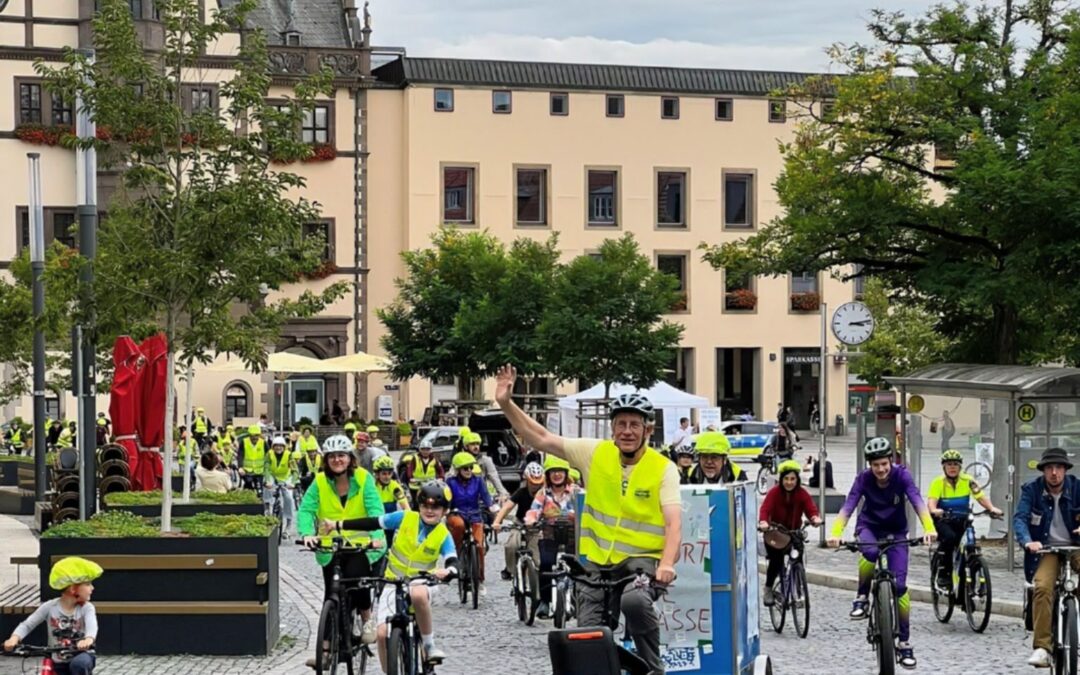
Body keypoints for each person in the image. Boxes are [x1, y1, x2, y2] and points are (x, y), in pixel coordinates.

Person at [494, 364, 680, 675]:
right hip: (596, 563)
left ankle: (653, 667)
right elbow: (540, 437)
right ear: (612, 428)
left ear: (648, 430)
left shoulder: (663, 468)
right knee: (587, 637)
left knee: (634, 603)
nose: (627, 431)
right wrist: (505, 403)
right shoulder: (595, 453)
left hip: (642, 562)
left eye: (635, 425)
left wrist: (667, 563)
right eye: (621, 424)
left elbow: (674, 523)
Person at [827, 437, 936, 670]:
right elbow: (849, 505)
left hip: (897, 532)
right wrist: (836, 532)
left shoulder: (902, 476)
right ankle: (862, 597)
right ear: (870, 465)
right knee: (869, 552)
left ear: (891, 461)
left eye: (884, 464)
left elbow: (917, 500)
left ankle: (904, 642)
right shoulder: (863, 479)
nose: (880, 469)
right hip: (869, 527)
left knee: (900, 586)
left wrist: (929, 528)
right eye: (875, 465)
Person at [326, 481, 457, 669]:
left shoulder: (443, 534)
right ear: (418, 506)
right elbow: (372, 522)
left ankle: (429, 646)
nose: (429, 511)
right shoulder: (404, 518)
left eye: (436, 507)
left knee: (418, 594)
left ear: (444, 511)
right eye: (425, 506)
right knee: (381, 634)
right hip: (392, 581)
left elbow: (453, 559)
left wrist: (449, 571)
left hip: (423, 582)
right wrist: (338, 524)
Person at [299, 434, 386, 664]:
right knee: (332, 594)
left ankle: (367, 617)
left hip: (360, 544)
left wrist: (376, 537)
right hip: (330, 546)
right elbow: (307, 510)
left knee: (357, 579)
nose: (337, 460)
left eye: (342, 456)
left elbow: (375, 510)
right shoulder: (319, 482)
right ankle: (325, 652)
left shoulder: (364, 478)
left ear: (350, 458)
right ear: (326, 460)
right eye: (332, 457)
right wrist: (308, 534)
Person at [1014, 447, 1080, 668]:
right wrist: (1027, 541)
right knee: (1042, 587)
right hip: (1047, 550)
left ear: (1065, 470)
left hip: (1076, 547)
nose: (1054, 473)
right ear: (1043, 471)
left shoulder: (1078, 487)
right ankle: (1042, 647)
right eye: (1050, 468)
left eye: (1059, 468)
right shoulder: (1031, 490)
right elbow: (1020, 519)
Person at [4, 556, 101, 674]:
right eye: (88, 584)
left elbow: (92, 626)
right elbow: (27, 624)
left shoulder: (86, 608)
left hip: (81, 654)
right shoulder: (50, 607)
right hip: (57, 659)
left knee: (79, 665)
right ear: (73, 589)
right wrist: (14, 638)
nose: (92, 588)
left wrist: (88, 639)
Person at [928, 449, 1003, 589]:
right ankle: (944, 572)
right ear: (943, 467)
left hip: (962, 519)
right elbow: (932, 502)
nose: (952, 467)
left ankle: (969, 588)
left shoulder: (968, 481)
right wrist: (934, 510)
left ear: (960, 466)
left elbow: (980, 497)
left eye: (955, 464)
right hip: (944, 520)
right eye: (949, 464)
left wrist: (992, 508)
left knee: (971, 544)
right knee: (949, 538)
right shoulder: (938, 482)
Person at [758, 460, 822, 606]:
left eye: (792, 479)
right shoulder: (774, 493)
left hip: (794, 532)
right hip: (775, 532)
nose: (789, 482)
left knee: (798, 556)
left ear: (797, 480)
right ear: (781, 479)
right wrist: (763, 522)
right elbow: (765, 509)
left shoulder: (802, 493)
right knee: (776, 561)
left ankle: (797, 589)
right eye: (786, 479)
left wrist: (814, 517)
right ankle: (768, 588)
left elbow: (810, 508)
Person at [526, 455, 581, 619]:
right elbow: (534, 510)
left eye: (560, 471)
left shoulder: (575, 491)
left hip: (572, 535)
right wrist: (531, 520)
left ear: (566, 473)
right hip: (549, 534)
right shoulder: (542, 494)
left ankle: (577, 600)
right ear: (548, 475)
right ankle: (545, 601)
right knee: (546, 564)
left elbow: (586, 507)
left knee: (577, 566)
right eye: (553, 472)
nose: (557, 475)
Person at [446, 451, 497, 596]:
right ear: (457, 470)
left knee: (480, 546)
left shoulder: (478, 480)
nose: (469, 471)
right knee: (458, 525)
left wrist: (493, 508)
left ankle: (479, 580)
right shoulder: (450, 482)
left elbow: (486, 496)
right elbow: (447, 498)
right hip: (457, 512)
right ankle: (456, 551)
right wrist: (445, 510)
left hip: (475, 514)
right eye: (465, 468)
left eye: (470, 467)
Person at [493, 462, 545, 581]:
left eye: (538, 483)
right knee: (511, 545)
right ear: (526, 480)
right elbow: (507, 507)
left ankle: (534, 580)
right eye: (532, 483)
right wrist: (497, 521)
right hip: (519, 523)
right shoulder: (521, 492)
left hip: (536, 527)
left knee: (537, 558)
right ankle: (511, 570)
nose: (535, 486)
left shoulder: (544, 494)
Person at [451, 431, 509, 504]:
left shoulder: (486, 460)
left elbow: (494, 477)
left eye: (477, 444)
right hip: (461, 496)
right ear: (466, 446)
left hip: (481, 497)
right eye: (472, 444)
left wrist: (503, 493)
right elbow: (451, 476)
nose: (476, 447)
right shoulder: (459, 459)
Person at [265, 435, 298, 534]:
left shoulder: (289, 455)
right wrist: (268, 481)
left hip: (286, 478)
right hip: (272, 476)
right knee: (267, 488)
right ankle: (267, 509)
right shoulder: (269, 454)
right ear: (273, 447)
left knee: (288, 498)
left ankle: (288, 525)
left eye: (281, 446)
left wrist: (292, 483)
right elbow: (266, 468)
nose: (278, 448)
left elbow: (295, 471)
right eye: (276, 446)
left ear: (284, 447)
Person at [403, 440, 446, 505]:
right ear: (420, 450)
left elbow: (440, 469)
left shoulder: (434, 459)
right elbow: (410, 469)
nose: (425, 452)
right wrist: (410, 478)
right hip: (416, 486)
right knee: (416, 504)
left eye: (427, 449)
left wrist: (441, 477)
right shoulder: (415, 458)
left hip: (430, 485)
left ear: (430, 450)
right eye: (423, 449)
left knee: (429, 503)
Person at [237, 424, 266, 491]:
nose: (254, 437)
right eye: (252, 435)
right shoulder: (244, 442)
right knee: (248, 488)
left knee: (261, 490)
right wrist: (240, 467)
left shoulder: (263, 443)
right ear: (249, 435)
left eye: (256, 435)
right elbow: (240, 455)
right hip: (247, 471)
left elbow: (269, 455)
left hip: (260, 471)